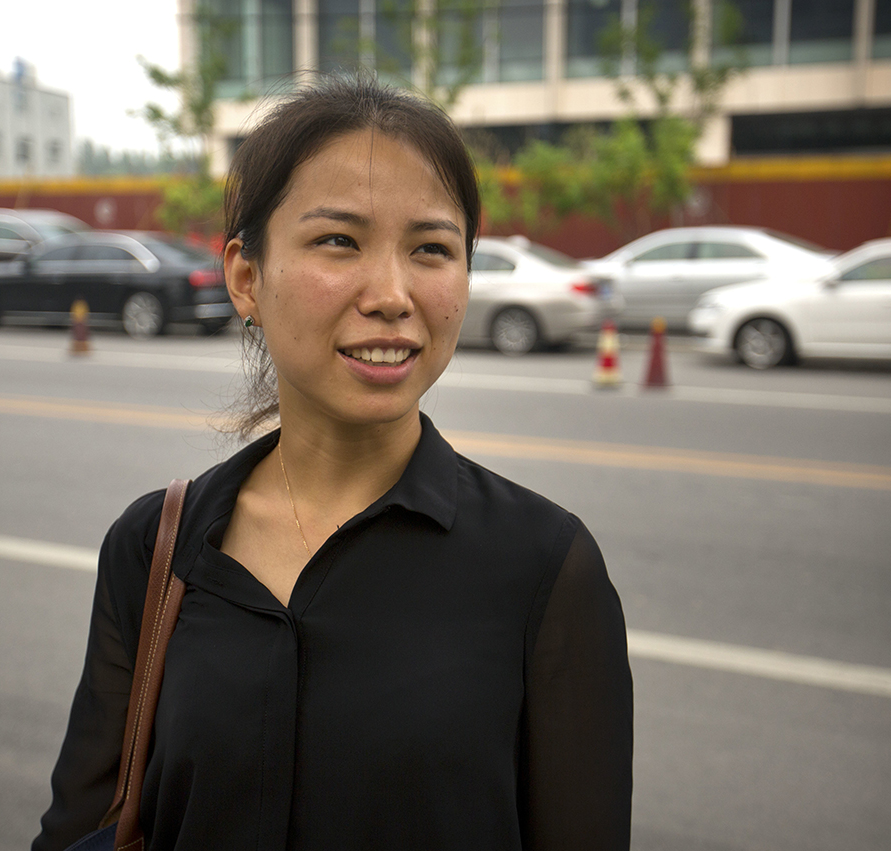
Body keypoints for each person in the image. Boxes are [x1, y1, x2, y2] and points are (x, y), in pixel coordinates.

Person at [33, 74, 632, 851]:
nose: (390, 293)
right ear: (245, 277)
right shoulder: (158, 547)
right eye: (338, 241)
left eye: (430, 249)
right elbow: (80, 827)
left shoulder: (546, 568)